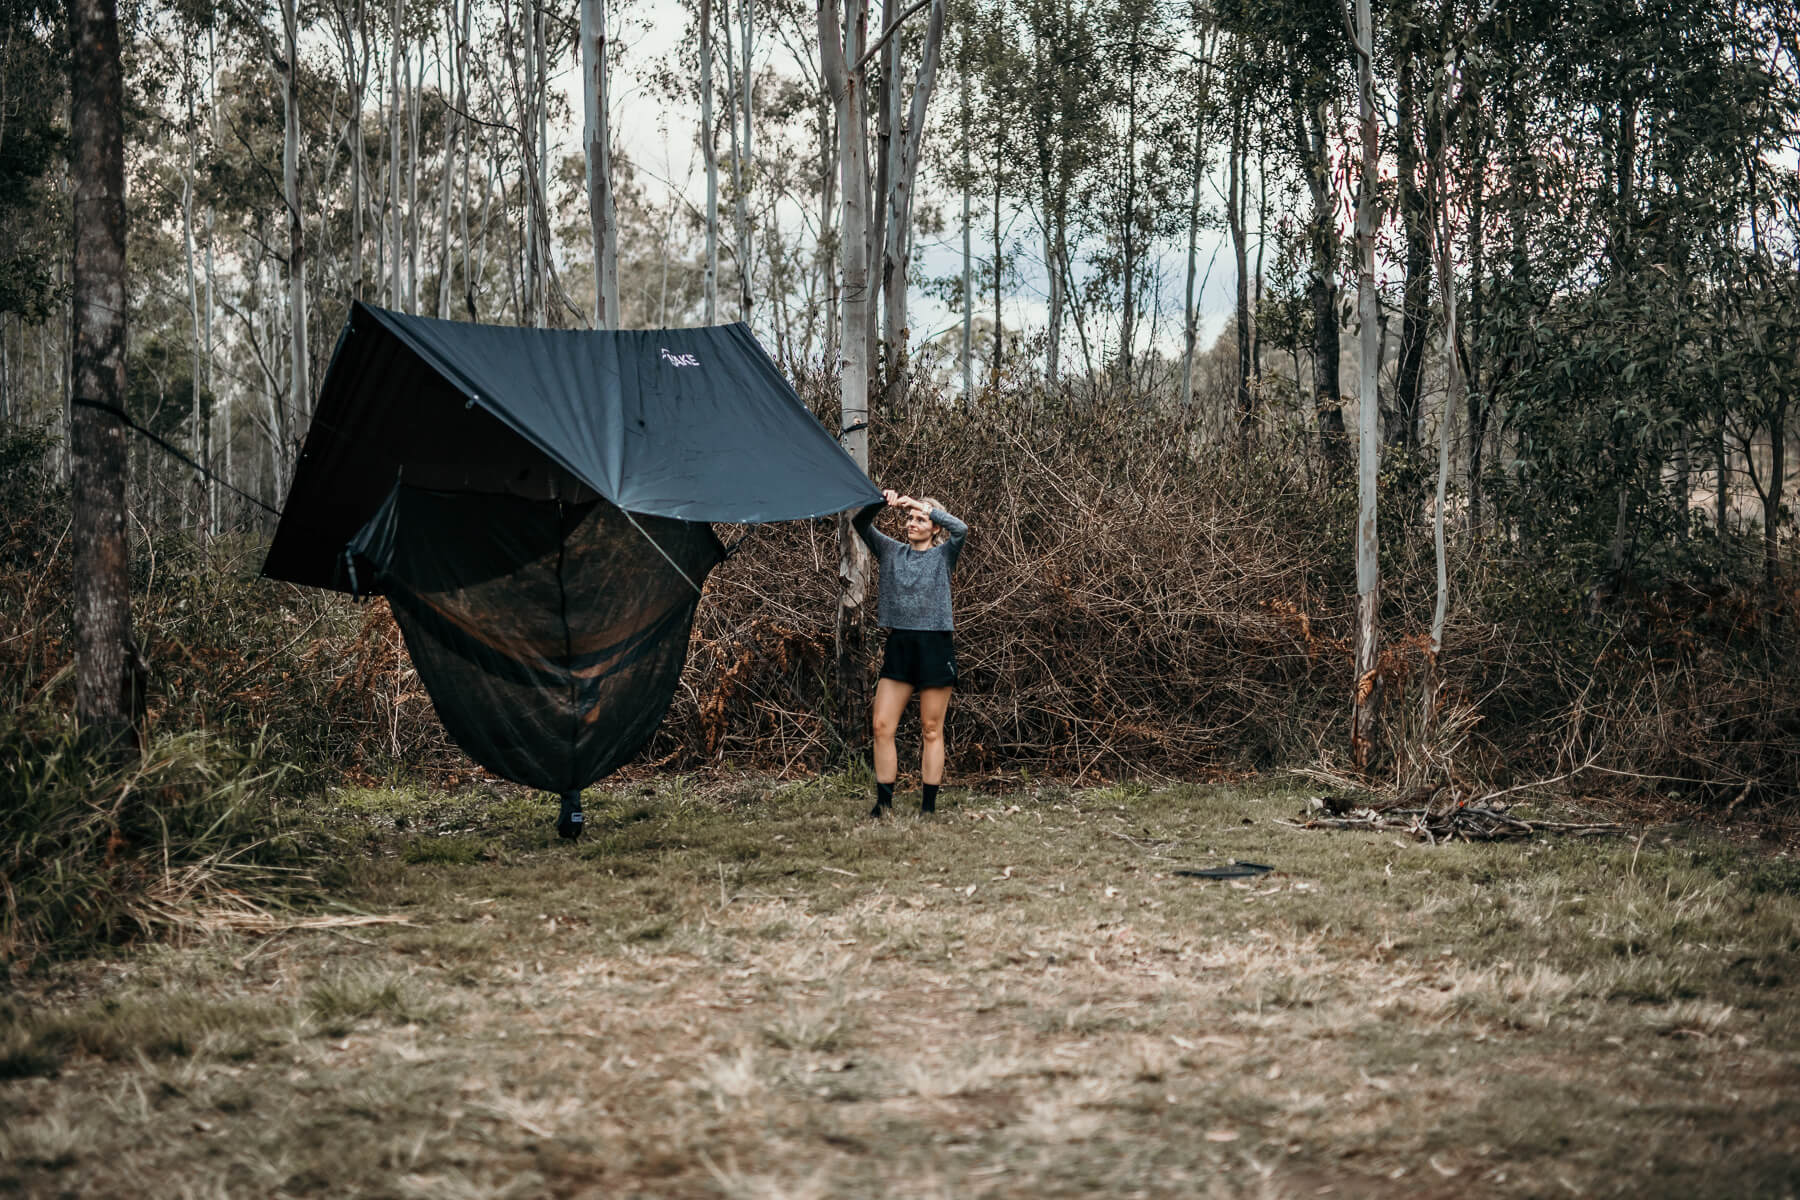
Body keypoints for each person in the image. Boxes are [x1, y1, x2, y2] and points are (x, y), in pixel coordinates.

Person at [852, 488, 968, 816]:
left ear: (934, 528)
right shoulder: (890, 551)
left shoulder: (945, 553)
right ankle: (884, 803)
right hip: (900, 645)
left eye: (920, 519)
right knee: (882, 726)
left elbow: (961, 529)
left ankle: (928, 807)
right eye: (910, 517)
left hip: (935, 645)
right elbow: (860, 525)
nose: (912, 522)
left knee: (931, 729)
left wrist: (923, 505)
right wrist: (880, 501)